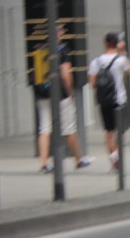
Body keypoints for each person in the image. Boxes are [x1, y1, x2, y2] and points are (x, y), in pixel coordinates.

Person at [35, 29, 91, 173]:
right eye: (60, 32)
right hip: (60, 95)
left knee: (45, 129)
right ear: (58, 34)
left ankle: (44, 164)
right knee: (69, 129)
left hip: (43, 94)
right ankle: (78, 160)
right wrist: (70, 92)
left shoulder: (41, 49)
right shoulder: (62, 50)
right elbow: (66, 74)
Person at [88, 31, 130, 170]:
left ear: (105, 43)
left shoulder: (96, 61)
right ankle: (117, 157)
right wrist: (123, 51)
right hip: (119, 99)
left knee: (108, 133)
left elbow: (92, 84)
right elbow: (129, 70)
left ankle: (114, 161)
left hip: (104, 101)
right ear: (117, 43)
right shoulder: (121, 60)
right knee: (121, 133)